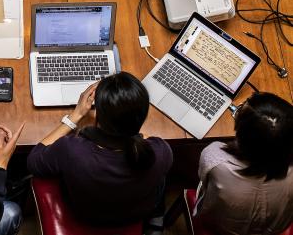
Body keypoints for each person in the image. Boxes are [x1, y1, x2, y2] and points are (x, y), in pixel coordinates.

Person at [27, 72, 173, 228]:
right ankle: (156, 219)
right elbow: (142, 140)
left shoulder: (73, 150)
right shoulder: (160, 152)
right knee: (161, 181)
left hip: (85, 215)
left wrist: (76, 115)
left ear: (98, 116)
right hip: (134, 214)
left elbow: (34, 160)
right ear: (143, 116)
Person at [193, 92, 293, 234]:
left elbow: (203, 181)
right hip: (273, 229)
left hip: (221, 228)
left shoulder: (215, 156)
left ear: (242, 136)